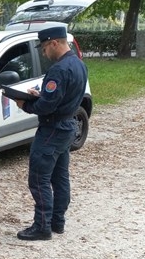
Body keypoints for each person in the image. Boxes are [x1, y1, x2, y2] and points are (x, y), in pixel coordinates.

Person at [9, 26, 88, 241]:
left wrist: (25, 104)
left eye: (44, 48)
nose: (44, 53)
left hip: (52, 129)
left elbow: (47, 107)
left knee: (39, 178)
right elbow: (61, 97)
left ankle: (42, 226)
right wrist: (43, 95)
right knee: (59, 176)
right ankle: (57, 221)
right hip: (67, 125)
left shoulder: (59, 70)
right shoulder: (79, 65)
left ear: (55, 43)